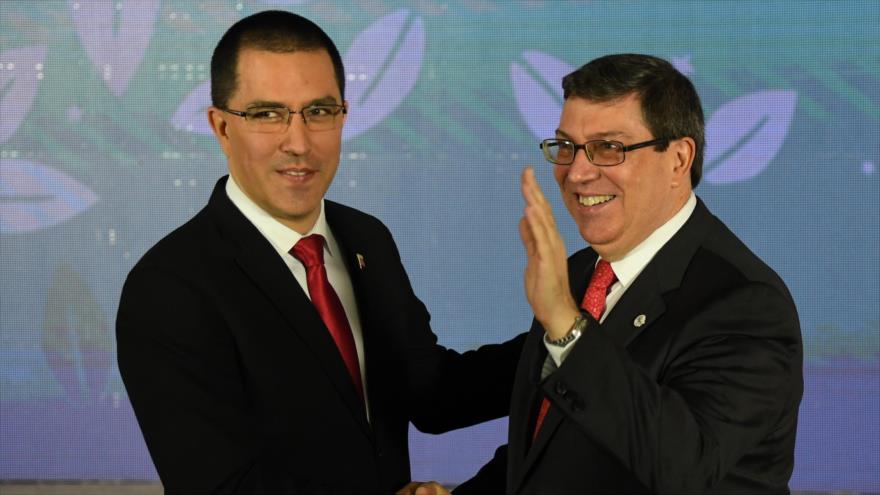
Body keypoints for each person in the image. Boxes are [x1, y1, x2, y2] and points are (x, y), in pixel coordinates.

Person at [116, 10, 524, 494]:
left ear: (344, 116)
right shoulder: (169, 286)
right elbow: (223, 485)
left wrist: (568, 333)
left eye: (319, 111)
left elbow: (432, 394)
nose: (299, 142)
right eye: (267, 114)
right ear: (221, 127)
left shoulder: (366, 238)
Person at [410, 54, 803, 494]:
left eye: (608, 148)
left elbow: (683, 467)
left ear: (678, 160)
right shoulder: (583, 273)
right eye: (566, 146)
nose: (577, 172)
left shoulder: (744, 304)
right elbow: (551, 447)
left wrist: (566, 325)